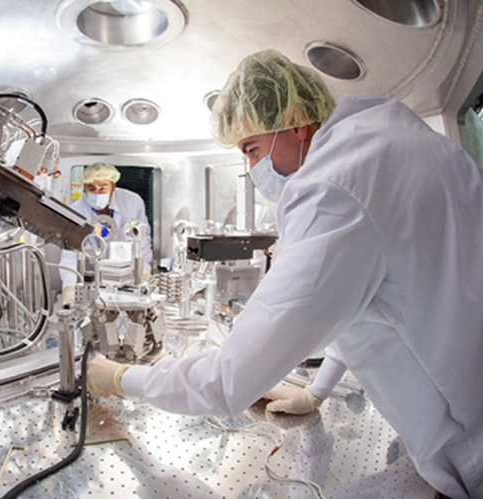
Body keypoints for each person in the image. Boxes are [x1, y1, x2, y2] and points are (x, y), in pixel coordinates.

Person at [87, 49, 483, 498]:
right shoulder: (386, 135)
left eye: (251, 149)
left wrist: (118, 379)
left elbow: (225, 383)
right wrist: (317, 389)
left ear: (296, 121)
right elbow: (373, 299)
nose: (250, 168)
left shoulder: (333, 189)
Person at [59, 162, 153, 304]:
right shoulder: (76, 212)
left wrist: (144, 273)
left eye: (103, 187)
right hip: (94, 280)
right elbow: (70, 255)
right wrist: (69, 287)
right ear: (85, 188)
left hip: (128, 278)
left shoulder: (132, 202)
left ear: (113, 186)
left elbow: (142, 243)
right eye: (92, 188)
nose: (97, 193)